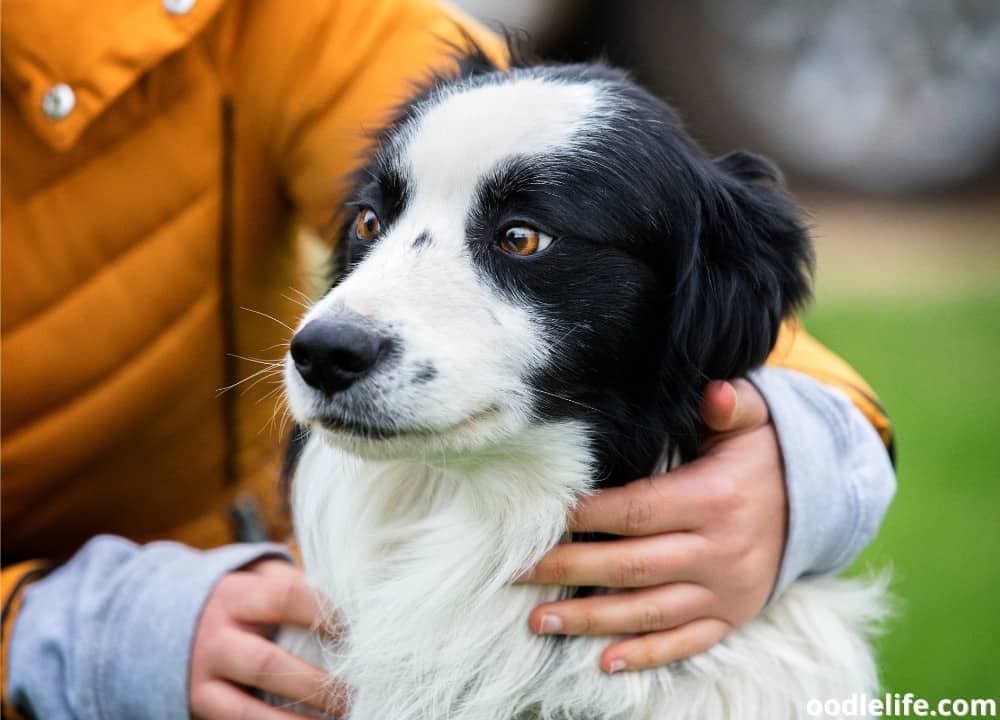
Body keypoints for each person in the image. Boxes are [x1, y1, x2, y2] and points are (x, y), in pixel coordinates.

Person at [0, 0, 896, 718]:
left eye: (519, 235)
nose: (331, 329)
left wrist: (809, 458)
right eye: (373, 227)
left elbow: (726, 274)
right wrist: (69, 636)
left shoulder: (260, 18)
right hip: (194, 633)